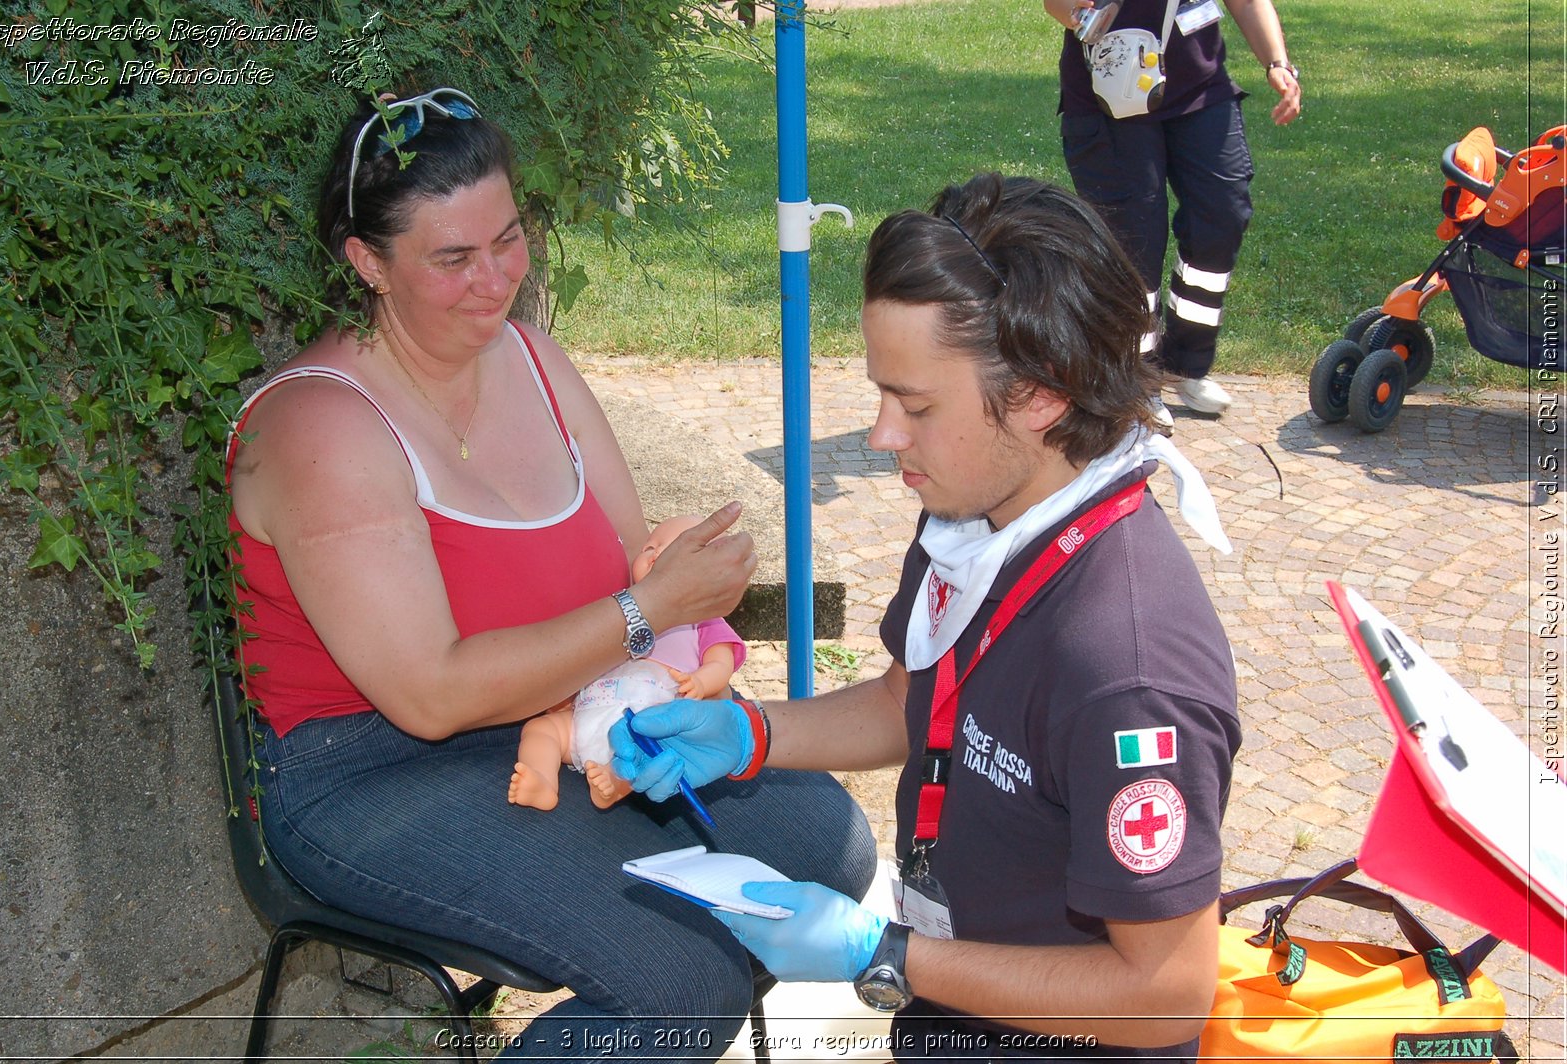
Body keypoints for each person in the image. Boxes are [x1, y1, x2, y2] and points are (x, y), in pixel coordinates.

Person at [224, 87, 874, 1060]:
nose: (494, 279)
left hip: (565, 716)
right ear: (366, 261)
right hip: (374, 770)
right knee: (678, 978)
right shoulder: (320, 428)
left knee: (825, 841)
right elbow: (432, 695)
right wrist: (651, 606)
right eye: (452, 258)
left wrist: (673, 616)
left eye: (508, 238)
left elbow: (625, 568)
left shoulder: (532, 355)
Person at [610, 174, 1241, 1060]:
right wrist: (749, 733)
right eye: (881, 393)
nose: (880, 436)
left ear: (1042, 394)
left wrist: (891, 955)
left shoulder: (1126, 667)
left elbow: (1166, 995)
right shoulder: (974, 510)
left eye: (916, 405)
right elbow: (915, 699)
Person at [1046, 0, 1301, 426]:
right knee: (1133, 237)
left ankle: (1186, 362)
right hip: (1114, 91)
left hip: (1199, 85)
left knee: (1223, 210)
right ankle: (1135, 379)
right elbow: (1058, 5)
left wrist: (1278, 62)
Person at [509, 515, 746, 811]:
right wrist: (565, 694)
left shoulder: (705, 620)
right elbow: (587, 653)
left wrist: (699, 682)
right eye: (650, 547)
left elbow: (721, 666)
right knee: (540, 729)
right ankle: (542, 780)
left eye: (670, 550)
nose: (655, 554)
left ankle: (612, 785)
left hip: (652, 711)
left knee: (642, 755)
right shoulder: (620, 606)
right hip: (594, 705)